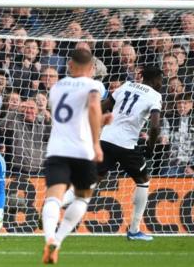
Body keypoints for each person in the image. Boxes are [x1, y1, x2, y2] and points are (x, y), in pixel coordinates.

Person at [63, 66, 163, 241]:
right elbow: (155, 127)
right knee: (143, 181)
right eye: (161, 80)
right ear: (155, 79)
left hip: (106, 139)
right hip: (126, 145)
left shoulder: (126, 86)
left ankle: (57, 203)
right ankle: (134, 230)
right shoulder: (155, 96)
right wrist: (150, 147)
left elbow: (104, 106)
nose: (162, 83)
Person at [41, 48, 104, 264]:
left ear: (70, 64)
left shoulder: (56, 87)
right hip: (82, 151)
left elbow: (71, 119)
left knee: (52, 199)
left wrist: (100, 121)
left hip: (57, 150)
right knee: (81, 197)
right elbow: (94, 107)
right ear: (91, 67)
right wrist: (96, 143)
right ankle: (57, 241)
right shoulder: (93, 85)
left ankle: (48, 237)